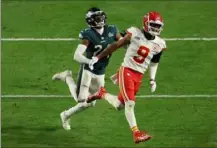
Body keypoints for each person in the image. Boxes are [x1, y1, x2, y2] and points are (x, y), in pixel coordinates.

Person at [87, 11, 167, 144]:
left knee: (119, 105)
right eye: (153, 25)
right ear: (146, 23)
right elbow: (116, 44)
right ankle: (136, 133)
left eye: (158, 26)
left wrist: (152, 79)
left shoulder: (159, 43)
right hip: (127, 71)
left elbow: (154, 62)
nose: (156, 28)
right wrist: (98, 57)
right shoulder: (134, 33)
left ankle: (102, 93)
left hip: (139, 75)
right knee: (130, 103)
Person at [52, 7, 122, 130]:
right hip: (88, 71)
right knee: (81, 100)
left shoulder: (112, 30)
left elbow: (121, 42)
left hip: (101, 72)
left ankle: (65, 114)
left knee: (89, 104)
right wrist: (90, 61)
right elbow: (77, 56)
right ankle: (67, 78)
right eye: (97, 18)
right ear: (91, 21)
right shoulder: (88, 34)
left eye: (101, 17)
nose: (100, 20)